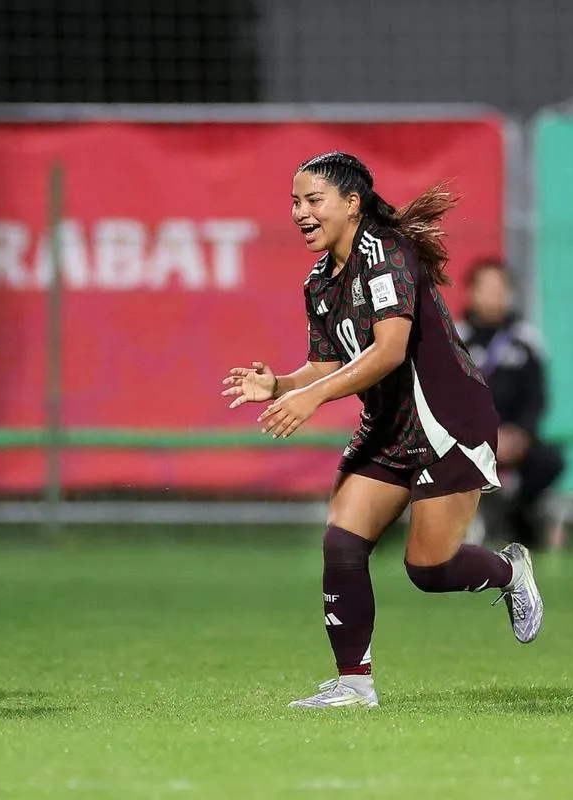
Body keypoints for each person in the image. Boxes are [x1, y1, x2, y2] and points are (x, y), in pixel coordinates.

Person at [222, 151, 543, 709]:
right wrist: (279, 385)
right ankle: (354, 683)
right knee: (342, 542)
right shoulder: (319, 282)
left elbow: (390, 351)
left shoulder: (386, 254)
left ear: (352, 203)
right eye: (295, 202)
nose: (300, 212)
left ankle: (509, 570)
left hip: (446, 425)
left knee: (429, 568)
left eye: (312, 200)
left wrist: (310, 398)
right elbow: (326, 364)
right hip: (388, 429)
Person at [456, 260, 565, 550]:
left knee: (550, 461)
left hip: (517, 438)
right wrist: (483, 435)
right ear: (472, 293)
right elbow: (446, 398)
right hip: (468, 439)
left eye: (500, 288)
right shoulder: (453, 338)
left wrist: (520, 434)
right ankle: (463, 525)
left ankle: (516, 518)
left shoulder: (527, 341)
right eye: (487, 288)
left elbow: (537, 397)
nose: (495, 296)